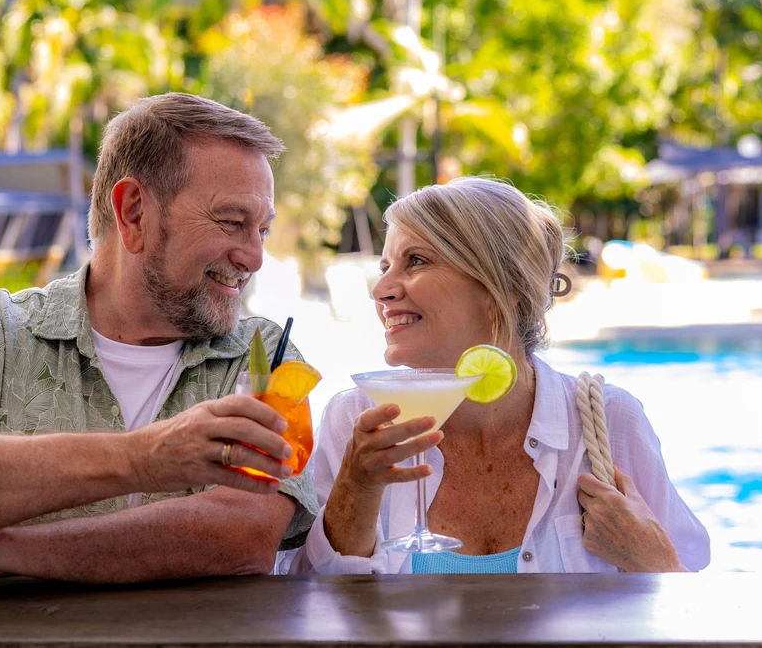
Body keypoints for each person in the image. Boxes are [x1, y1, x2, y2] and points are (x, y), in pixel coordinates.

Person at [0, 93, 317, 583]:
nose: (254, 257)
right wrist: (149, 458)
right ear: (133, 213)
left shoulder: (263, 356)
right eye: (232, 222)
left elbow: (244, 538)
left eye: (263, 229)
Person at [287, 177, 709, 574]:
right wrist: (356, 488)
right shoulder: (358, 419)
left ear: (502, 289)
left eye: (415, 261)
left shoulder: (607, 421)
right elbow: (307, 603)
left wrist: (651, 557)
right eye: (385, 266)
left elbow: (696, 615)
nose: (381, 290)